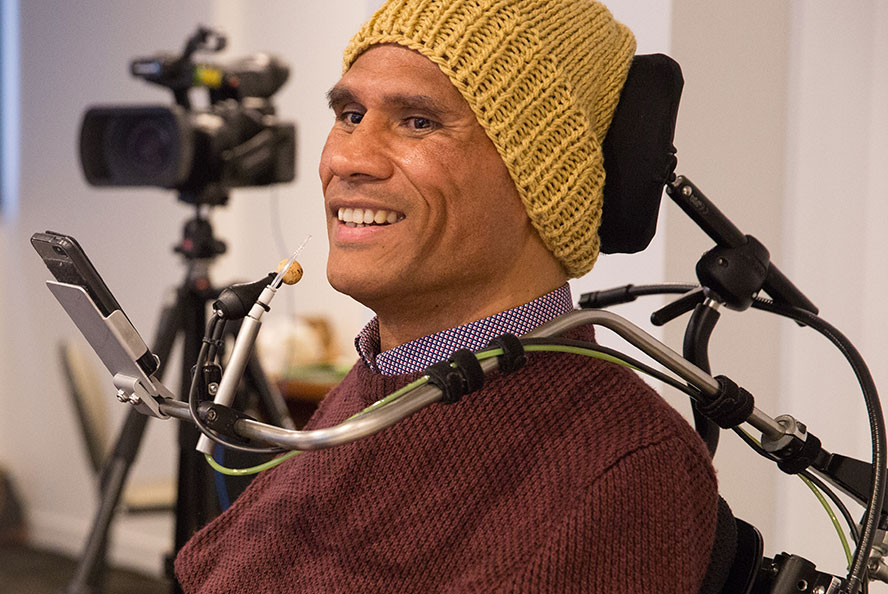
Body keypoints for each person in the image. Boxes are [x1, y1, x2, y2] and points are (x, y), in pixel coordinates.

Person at [174, 1, 717, 592]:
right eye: (350, 114)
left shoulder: (627, 469)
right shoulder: (376, 389)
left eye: (418, 122)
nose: (346, 159)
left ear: (546, 181)